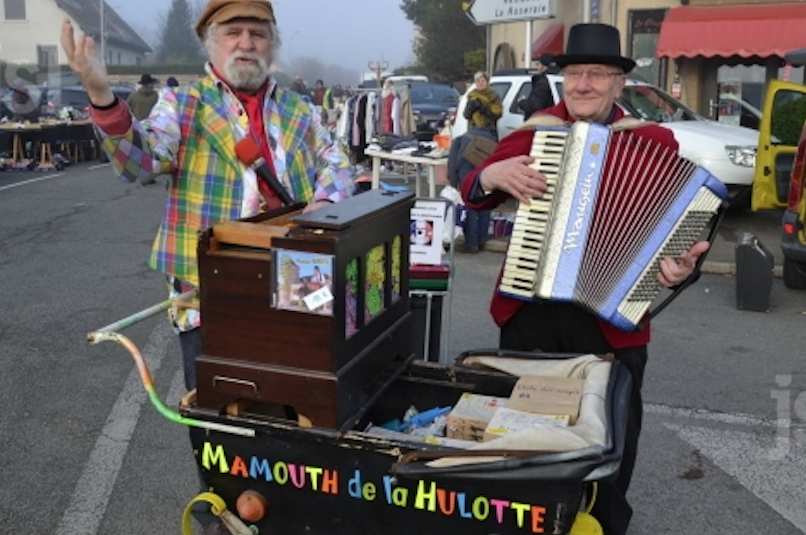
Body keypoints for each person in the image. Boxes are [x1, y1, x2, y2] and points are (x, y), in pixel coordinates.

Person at [60, 1, 354, 533]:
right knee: (223, 432)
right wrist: (103, 96)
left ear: (273, 44)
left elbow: (339, 167)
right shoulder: (183, 104)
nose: (247, 43)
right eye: (234, 32)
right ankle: (225, 522)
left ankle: (290, 519)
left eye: (258, 33)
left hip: (299, 292)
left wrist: (326, 204)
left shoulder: (299, 110)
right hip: (210, 298)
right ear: (210, 44)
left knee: (299, 420)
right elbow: (138, 162)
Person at [460, 23, 710, 535]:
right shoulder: (534, 133)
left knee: (612, 440)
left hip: (611, 320)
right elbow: (471, 190)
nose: (583, 85)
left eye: (598, 74)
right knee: (528, 433)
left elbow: (682, 233)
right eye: (575, 73)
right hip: (530, 315)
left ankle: (603, 523)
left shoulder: (654, 142)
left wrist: (681, 269)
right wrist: (489, 176)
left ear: (620, 84)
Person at [458, 71, 502, 253]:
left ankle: (478, 240)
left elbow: (496, 115)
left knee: (483, 190)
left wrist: (483, 108)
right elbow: (466, 116)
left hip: (488, 141)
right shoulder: (471, 96)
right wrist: (471, 107)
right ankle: (474, 241)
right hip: (473, 141)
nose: (480, 83)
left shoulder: (494, 96)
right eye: (477, 81)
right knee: (475, 189)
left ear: (487, 81)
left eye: (482, 80)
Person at [517, 53, 554, 118]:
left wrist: (522, 102)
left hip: (541, 123)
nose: (537, 67)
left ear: (543, 67)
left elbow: (534, 106)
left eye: (538, 64)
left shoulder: (543, 83)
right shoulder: (556, 79)